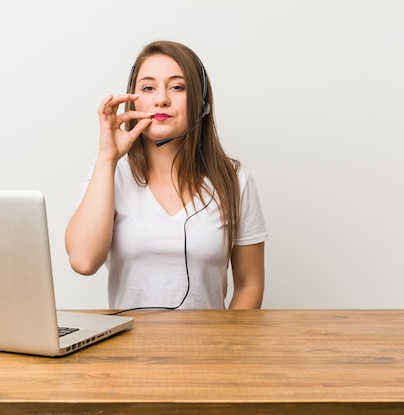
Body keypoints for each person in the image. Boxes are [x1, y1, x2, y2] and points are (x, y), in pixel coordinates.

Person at [65, 40, 268, 310]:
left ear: (200, 102)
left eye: (177, 87)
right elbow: (83, 261)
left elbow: (249, 284)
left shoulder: (234, 178)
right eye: (148, 88)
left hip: (208, 350)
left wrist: (227, 347)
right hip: (127, 350)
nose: (161, 99)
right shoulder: (109, 172)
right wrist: (107, 157)